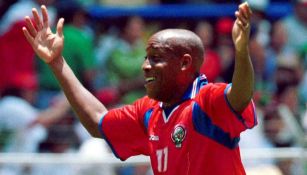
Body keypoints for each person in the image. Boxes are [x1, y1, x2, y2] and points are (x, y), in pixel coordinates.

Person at [22, 2, 256, 174]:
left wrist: (241, 53)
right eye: (146, 58)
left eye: (155, 58)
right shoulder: (149, 111)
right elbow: (97, 121)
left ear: (184, 63)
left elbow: (241, 95)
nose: (145, 66)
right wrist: (57, 63)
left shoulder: (206, 101)